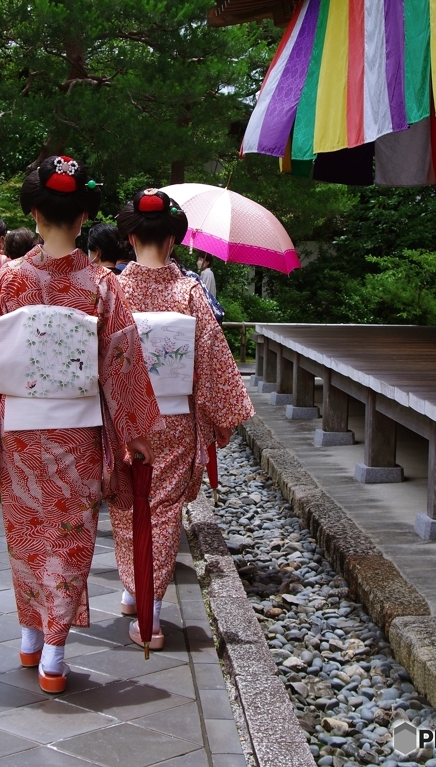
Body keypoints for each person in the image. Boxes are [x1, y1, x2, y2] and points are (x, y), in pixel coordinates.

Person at [0, 156, 160, 694]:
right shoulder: (101, 286)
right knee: (70, 536)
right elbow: (121, 362)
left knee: (26, 533)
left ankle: (29, 641)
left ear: (32, 211)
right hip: (76, 431)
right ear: (81, 220)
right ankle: (53, 653)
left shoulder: (8, 282)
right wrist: (137, 430)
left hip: (22, 429)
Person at [111, 188, 254, 649]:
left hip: (124, 419)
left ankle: (139, 596)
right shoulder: (189, 292)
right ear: (173, 240)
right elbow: (212, 364)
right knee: (163, 511)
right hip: (173, 419)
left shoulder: (110, 289)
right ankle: (148, 606)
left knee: (128, 506)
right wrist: (222, 418)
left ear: (130, 236)